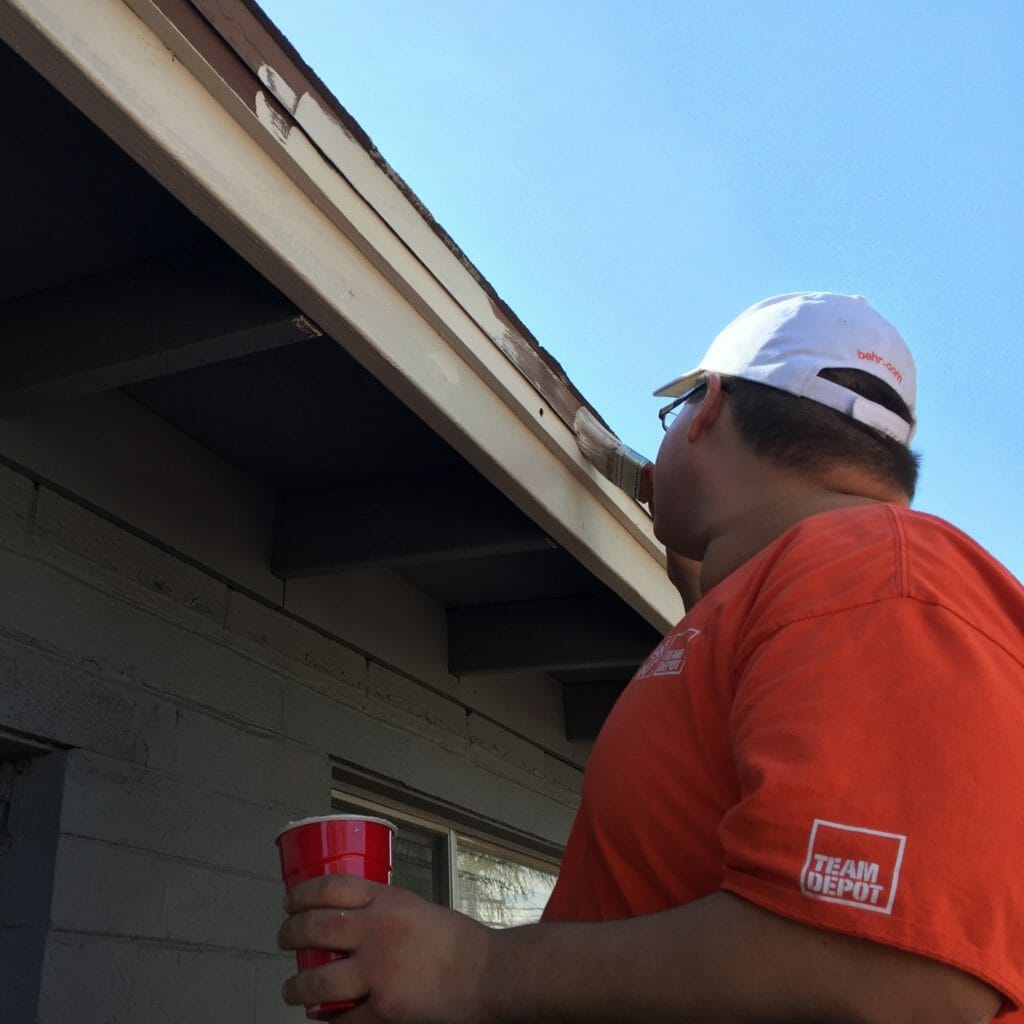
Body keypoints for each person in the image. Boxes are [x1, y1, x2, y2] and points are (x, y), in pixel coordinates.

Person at [278, 292, 1024, 1023]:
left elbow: (892, 975)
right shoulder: (805, 594)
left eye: (673, 415)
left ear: (709, 409)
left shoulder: (880, 577)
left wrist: (475, 970)